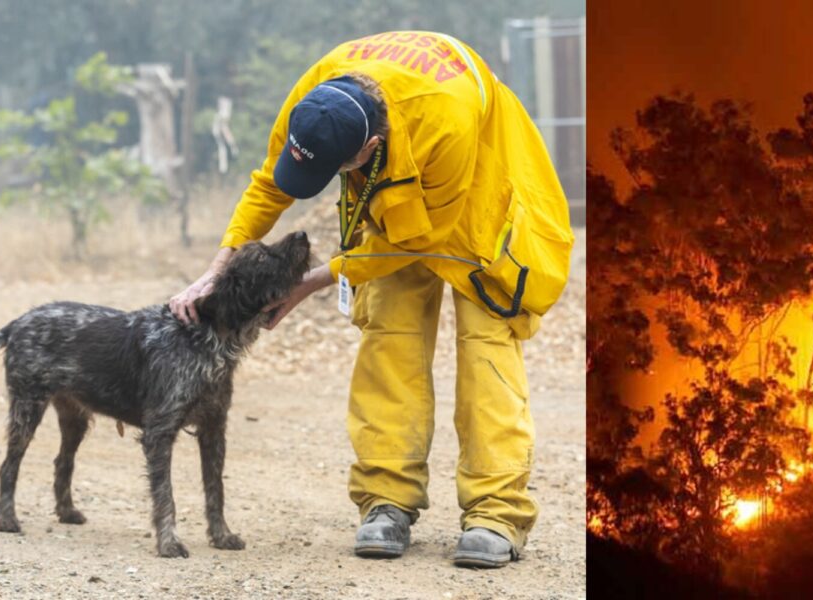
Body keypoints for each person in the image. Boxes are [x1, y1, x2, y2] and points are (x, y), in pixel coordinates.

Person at [169, 30, 573, 568]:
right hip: (391, 202)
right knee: (389, 339)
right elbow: (270, 186)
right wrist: (215, 268)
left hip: (480, 198)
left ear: (367, 150)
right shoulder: (315, 94)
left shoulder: (443, 119)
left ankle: (495, 513)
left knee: (486, 350)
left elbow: (422, 240)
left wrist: (312, 280)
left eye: (335, 169)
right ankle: (387, 500)